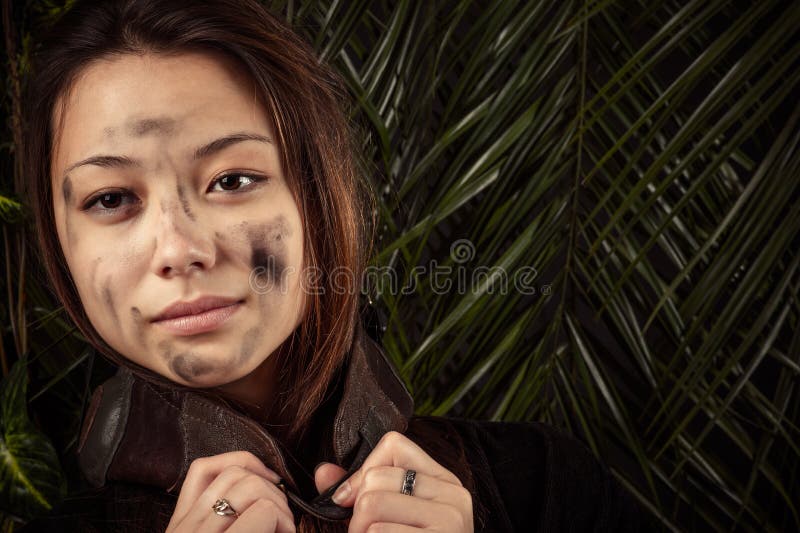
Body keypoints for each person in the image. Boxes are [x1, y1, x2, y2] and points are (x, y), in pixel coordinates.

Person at [19, 0, 648, 531]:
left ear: (319, 200)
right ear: (60, 239)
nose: (180, 249)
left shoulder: (543, 486)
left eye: (233, 179)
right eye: (110, 199)